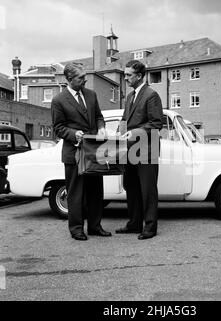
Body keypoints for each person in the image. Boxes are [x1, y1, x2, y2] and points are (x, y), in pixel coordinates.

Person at [51, 62, 111, 241]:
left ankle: (95, 226)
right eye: (81, 78)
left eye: (85, 77)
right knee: (76, 193)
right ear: (69, 79)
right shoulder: (59, 100)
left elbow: (99, 117)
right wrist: (73, 134)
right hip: (74, 153)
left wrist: (101, 128)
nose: (85, 80)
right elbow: (58, 127)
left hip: (93, 152)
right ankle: (76, 229)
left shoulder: (91, 95)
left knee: (95, 191)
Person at [115, 60, 163, 240]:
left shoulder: (151, 95)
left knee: (148, 190)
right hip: (130, 150)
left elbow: (157, 123)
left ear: (140, 76)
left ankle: (150, 228)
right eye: (125, 74)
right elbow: (124, 120)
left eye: (128, 75)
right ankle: (134, 224)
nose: (125, 78)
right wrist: (116, 136)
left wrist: (134, 132)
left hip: (147, 150)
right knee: (132, 188)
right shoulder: (130, 96)